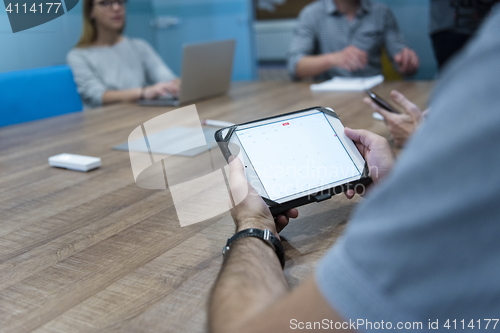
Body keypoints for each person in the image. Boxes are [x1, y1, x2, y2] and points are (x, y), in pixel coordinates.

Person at [209, 5, 500, 332]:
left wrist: (253, 221)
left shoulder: (485, 73)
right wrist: (393, 183)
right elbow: (295, 65)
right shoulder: (314, 14)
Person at [67, 0, 179, 109]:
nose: (116, 8)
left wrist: (178, 84)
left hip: (138, 115)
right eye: (105, 3)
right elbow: (98, 96)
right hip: (105, 120)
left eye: (120, 2)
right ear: (90, 12)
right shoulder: (78, 55)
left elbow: (167, 78)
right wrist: (144, 92)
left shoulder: (139, 46)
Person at [287, 0, 420, 81]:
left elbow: (399, 56)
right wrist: (333, 59)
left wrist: (406, 62)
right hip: (329, 97)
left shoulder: (381, 12)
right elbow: (295, 66)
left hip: (374, 92)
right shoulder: (311, 14)